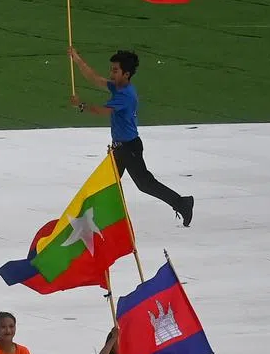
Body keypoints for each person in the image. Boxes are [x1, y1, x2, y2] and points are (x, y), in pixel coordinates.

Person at [68, 48, 194, 226]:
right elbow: (95, 79)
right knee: (108, 182)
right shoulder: (119, 86)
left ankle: (182, 203)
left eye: (115, 70)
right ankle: (95, 219)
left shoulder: (125, 95)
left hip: (129, 148)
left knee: (144, 184)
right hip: (120, 147)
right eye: (111, 69)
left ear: (126, 74)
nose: (111, 73)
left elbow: (102, 111)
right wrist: (77, 59)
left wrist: (81, 105)